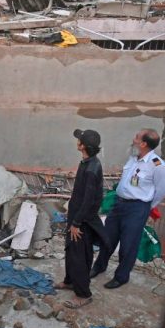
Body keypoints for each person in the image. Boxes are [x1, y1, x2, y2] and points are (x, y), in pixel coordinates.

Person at [92, 129, 165, 289]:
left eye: (137, 137)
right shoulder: (133, 157)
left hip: (137, 208)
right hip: (119, 204)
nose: (133, 140)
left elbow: (162, 190)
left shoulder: (157, 165)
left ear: (144, 144)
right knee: (108, 237)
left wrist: (146, 206)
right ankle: (99, 267)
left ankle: (121, 276)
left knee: (128, 244)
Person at [55, 130, 105, 309]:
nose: (77, 141)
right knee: (70, 250)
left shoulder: (92, 169)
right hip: (76, 217)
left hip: (82, 221)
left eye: (79, 140)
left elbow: (89, 200)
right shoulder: (87, 162)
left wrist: (76, 223)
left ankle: (83, 294)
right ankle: (70, 281)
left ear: (83, 146)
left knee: (80, 257)